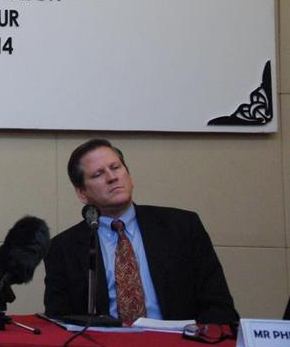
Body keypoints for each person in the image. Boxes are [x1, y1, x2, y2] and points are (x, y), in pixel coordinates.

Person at [44, 138, 237, 325]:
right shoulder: (63, 248)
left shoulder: (182, 227)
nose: (112, 177)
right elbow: (59, 321)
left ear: (129, 175)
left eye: (116, 167)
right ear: (82, 193)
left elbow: (219, 306)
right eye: (98, 174)